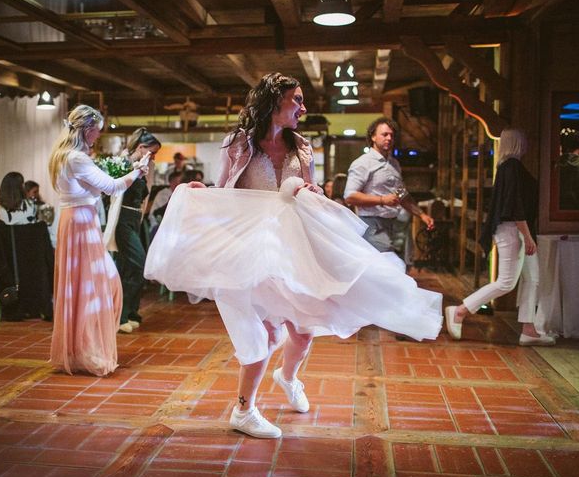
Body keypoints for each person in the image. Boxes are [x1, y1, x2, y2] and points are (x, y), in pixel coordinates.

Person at [144, 73, 440, 439]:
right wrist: (200, 192)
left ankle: (287, 378)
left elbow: (310, 193)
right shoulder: (238, 144)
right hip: (251, 251)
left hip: (292, 248)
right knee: (264, 335)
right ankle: (244, 409)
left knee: (302, 332)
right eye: (296, 100)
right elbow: (225, 191)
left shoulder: (302, 147)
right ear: (274, 103)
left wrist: (311, 190)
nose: (303, 107)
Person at [48, 104, 147, 377]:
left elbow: (89, 189)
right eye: (97, 132)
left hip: (74, 220)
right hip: (81, 224)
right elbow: (113, 187)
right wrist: (137, 170)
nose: (98, 138)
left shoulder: (62, 156)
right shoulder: (77, 158)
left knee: (81, 288)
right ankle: (87, 349)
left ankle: (80, 348)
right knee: (99, 286)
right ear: (87, 129)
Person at [444, 128, 554, 346]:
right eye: (524, 140)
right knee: (506, 282)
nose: (527, 144)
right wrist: (528, 237)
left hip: (518, 229)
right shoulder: (511, 167)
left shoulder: (507, 167)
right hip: (514, 230)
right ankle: (460, 311)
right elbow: (514, 207)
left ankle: (529, 330)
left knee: (533, 279)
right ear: (518, 143)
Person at [343, 116, 433, 260]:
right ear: (373, 136)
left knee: (389, 269)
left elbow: (401, 194)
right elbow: (350, 196)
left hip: (391, 224)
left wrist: (422, 215)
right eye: (384, 134)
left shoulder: (394, 164)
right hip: (371, 224)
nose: (389, 138)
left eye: (392, 135)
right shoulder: (362, 163)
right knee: (384, 269)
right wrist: (382, 200)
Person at [115, 129, 161, 333]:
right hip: (122, 219)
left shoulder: (145, 166)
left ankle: (131, 311)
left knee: (132, 267)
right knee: (138, 263)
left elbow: (144, 197)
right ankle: (121, 314)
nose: (153, 157)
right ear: (141, 148)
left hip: (136, 219)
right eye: (152, 152)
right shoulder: (123, 164)